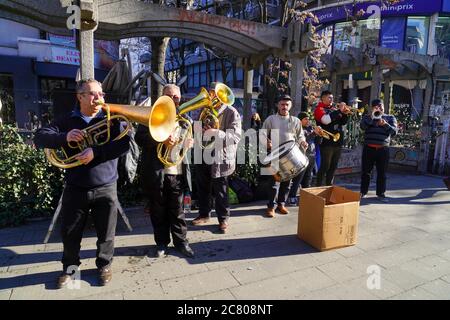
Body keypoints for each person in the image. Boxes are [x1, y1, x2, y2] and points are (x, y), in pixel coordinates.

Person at [33, 78, 130, 288]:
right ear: (80, 97)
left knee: (106, 233)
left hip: (106, 185)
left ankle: (104, 265)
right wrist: (65, 137)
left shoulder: (112, 120)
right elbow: (40, 137)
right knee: (70, 232)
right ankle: (70, 268)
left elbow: (123, 145)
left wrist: (96, 152)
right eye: (94, 94)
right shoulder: (67, 120)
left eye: (101, 94)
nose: (99, 98)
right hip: (76, 186)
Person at [135, 84, 194, 258]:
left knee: (178, 211)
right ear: (162, 97)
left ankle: (181, 243)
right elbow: (140, 138)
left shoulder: (185, 119)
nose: (174, 100)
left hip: (176, 171)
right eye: (170, 96)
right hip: (156, 171)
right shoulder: (151, 115)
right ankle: (161, 243)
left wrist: (188, 144)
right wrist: (161, 141)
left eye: (176, 97)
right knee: (157, 210)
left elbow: (187, 142)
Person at [191, 82, 242, 234]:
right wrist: (201, 130)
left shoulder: (231, 112)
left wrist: (216, 132)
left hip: (221, 156)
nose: (213, 96)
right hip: (203, 154)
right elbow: (196, 132)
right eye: (211, 93)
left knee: (221, 190)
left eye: (216, 93)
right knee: (203, 187)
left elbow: (236, 136)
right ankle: (204, 214)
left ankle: (223, 219)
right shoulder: (204, 110)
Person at [261, 95, 307, 217]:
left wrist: (303, 141)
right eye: (282, 104)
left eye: (287, 105)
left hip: (290, 154)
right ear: (278, 105)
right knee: (274, 182)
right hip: (274, 154)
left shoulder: (296, 121)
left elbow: (300, 135)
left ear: (290, 106)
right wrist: (266, 141)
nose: (284, 107)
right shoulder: (271, 119)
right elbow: (262, 133)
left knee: (287, 180)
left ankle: (281, 204)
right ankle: (271, 206)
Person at [360, 99, 398, 202]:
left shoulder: (390, 117)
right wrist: (372, 118)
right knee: (365, 172)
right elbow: (362, 127)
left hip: (383, 149)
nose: (379, 108)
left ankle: (381, 194)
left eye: (381, 106)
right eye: (377, 106)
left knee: (382, 173)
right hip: (369, 148)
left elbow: (394, 132)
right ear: (372, 108)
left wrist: (385, 124)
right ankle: (363, 192)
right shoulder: (367, 117)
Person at [314, 90, 349, 186]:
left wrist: (345, 114)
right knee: (325, 166)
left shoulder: (333, 109)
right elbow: (325, 120)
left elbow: (343, 122)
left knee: (333, 167)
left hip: (338, 141)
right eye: (329, 97)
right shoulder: (319, 109)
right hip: (327, 142)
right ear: (323, 98)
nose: (332, 100)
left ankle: (329, 186)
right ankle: (318, 186)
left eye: (332, 98)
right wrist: (339, 111)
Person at [287, 112, 322, 206]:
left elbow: (318, 142)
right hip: (302, 156)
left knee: (308, 177)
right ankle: (292, 197)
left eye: (308, 119)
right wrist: (314, 133)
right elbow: (304, 139)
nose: (308, 121)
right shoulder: (298, 129)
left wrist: (319, 134)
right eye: (305, 119)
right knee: (299, 178)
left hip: (312, 155)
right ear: (300, 120)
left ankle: (305, 196)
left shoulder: (310, 128)